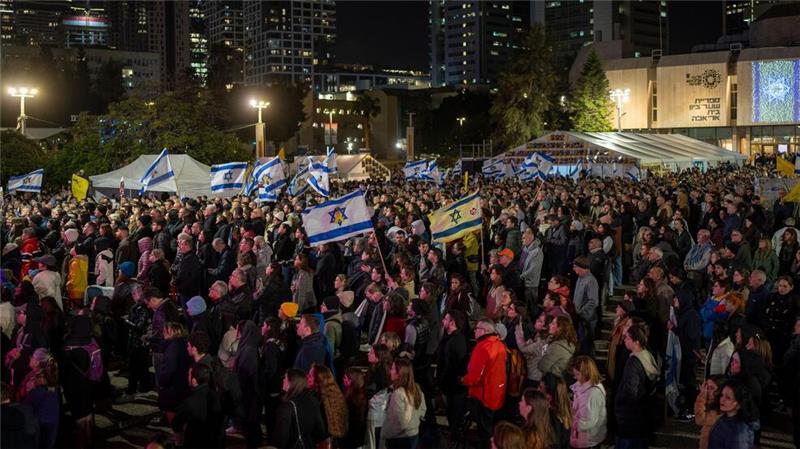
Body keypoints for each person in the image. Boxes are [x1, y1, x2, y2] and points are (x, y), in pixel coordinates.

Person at [462, 319, 508, 446]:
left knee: (484, 431)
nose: (475, 330)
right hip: (497, 393)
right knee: (492, 426)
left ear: (486, 331)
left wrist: (462, 380)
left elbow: (474, 377)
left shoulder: (483, 347)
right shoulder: (499, 344)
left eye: (478, 328)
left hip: (484, 395)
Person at [615, 324, 659, 449]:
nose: (624, 340)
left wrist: (620, 410)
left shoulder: (633, 362)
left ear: (636, 342)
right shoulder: (647, 356)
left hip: (630, 418)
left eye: (627, 338)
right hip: (642, 415)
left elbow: (630, 391)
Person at [171, 363, 225, 448]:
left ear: (194, 381)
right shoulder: (218, 396)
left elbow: (176, 423)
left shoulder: (190, 402)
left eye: (189, 375)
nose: (187, 377)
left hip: (196, 443)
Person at [271, 368, 326, 449]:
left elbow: (280, 439)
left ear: (292, 383)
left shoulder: (287, 407)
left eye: (285, 378)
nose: (283, 380)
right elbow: (320, 431)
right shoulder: (313, 401)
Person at [382, 358, 427, 449]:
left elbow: (400, 422)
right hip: (414, 435)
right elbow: (423, 410)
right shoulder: (416, 389)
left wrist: (385, 433)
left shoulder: (398, 394)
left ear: (400, 374)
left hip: (399, 439)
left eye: (393, 369)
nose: (391, 371)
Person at [234, 320, 263, 448]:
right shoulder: (248, 346)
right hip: (248, 396)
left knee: (252, 427)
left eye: (238, 330)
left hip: (250, 396)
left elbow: (248, 376)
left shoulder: (249, 350)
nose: (236, 334)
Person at [707, 380, 759, 449]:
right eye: (722, 395)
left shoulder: (738, 431)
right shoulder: (726, 417)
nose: (722, 399)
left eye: (728, 398)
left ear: (739, 403)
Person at [569, 356, 606, 449]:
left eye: (577, 374)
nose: (575, 377)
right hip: (581, 438)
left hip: (588, 440)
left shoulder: (593, 393)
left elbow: (588, 422)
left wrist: (570, 419)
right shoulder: (582, 387)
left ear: (586, 373)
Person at [309, 363, 349, 446]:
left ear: (318, 380)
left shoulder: (317, 401)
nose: (307, 377)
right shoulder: (336, 396)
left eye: (310, 375)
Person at [694, 375, 726, 449]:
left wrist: (701, 397)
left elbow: (699, 419)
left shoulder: (720, 410)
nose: (707, 391)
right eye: (707, 387)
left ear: (720, 391)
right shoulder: (712, 403)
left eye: (712, 388)